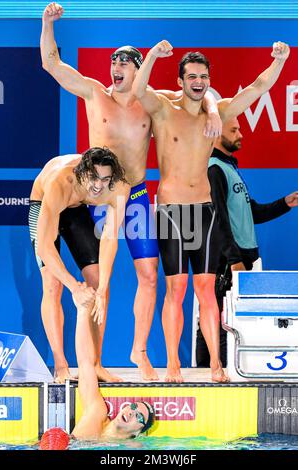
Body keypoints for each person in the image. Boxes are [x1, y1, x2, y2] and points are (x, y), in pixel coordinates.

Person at [40, 2, 222, 381]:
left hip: (134, 195)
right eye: (113, 62)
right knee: (88, 284)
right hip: (94, 199)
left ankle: (138, 350)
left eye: (125, 62)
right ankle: (87, 363)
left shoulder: (152, 102)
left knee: (150, 276)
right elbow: (52, 64)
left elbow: (200, 93)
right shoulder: (94, 92)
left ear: (138, 69)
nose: (116, 68)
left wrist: (215, 109)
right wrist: (46, 24)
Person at [132, 39, 290, 383]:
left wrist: (279, 60)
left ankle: (216, 364)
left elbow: (257, 88)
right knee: (176, 289)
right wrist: (153, 57)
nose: (198, 81)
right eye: (191, 76)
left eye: (203, 76)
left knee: (206, 290)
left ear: (208, 79)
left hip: (204, 211)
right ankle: (173, 363)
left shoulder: (216, 112)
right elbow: (138, 88)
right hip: (173, 212)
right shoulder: (162, 109)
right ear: (181, 80)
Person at [196, 117, 298, 367]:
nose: (241, 134)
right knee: (220, 319)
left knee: (235, 320)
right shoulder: (214, 169)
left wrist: (285, 203)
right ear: (217, 134)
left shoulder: (230, 168)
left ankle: (229, 370)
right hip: (229, 261)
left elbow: (252, 213)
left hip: (245, 259)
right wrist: (233, 259)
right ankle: (204, 375)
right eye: (234, 130)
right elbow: (217, 218)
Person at [29, 147, 130, 383]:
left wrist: (103, 288)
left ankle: (96, 364)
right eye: (94, 178)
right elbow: (45, 246)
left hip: (77, 209)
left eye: (105, 179)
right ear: (82, 171)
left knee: (97, 284)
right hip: (45, 202)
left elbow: (110, 238)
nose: (98, 186)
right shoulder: (60, 181)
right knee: (53, 284)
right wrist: (75, 286)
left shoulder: (119, 187)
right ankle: (61, 365)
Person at [71, 298, 155, 441]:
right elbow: (85, 362)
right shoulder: (96, 413)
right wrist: (82, 311)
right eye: (133, 407)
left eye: (139, 417)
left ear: (138, 433)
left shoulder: (132, 448)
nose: (131, 413)